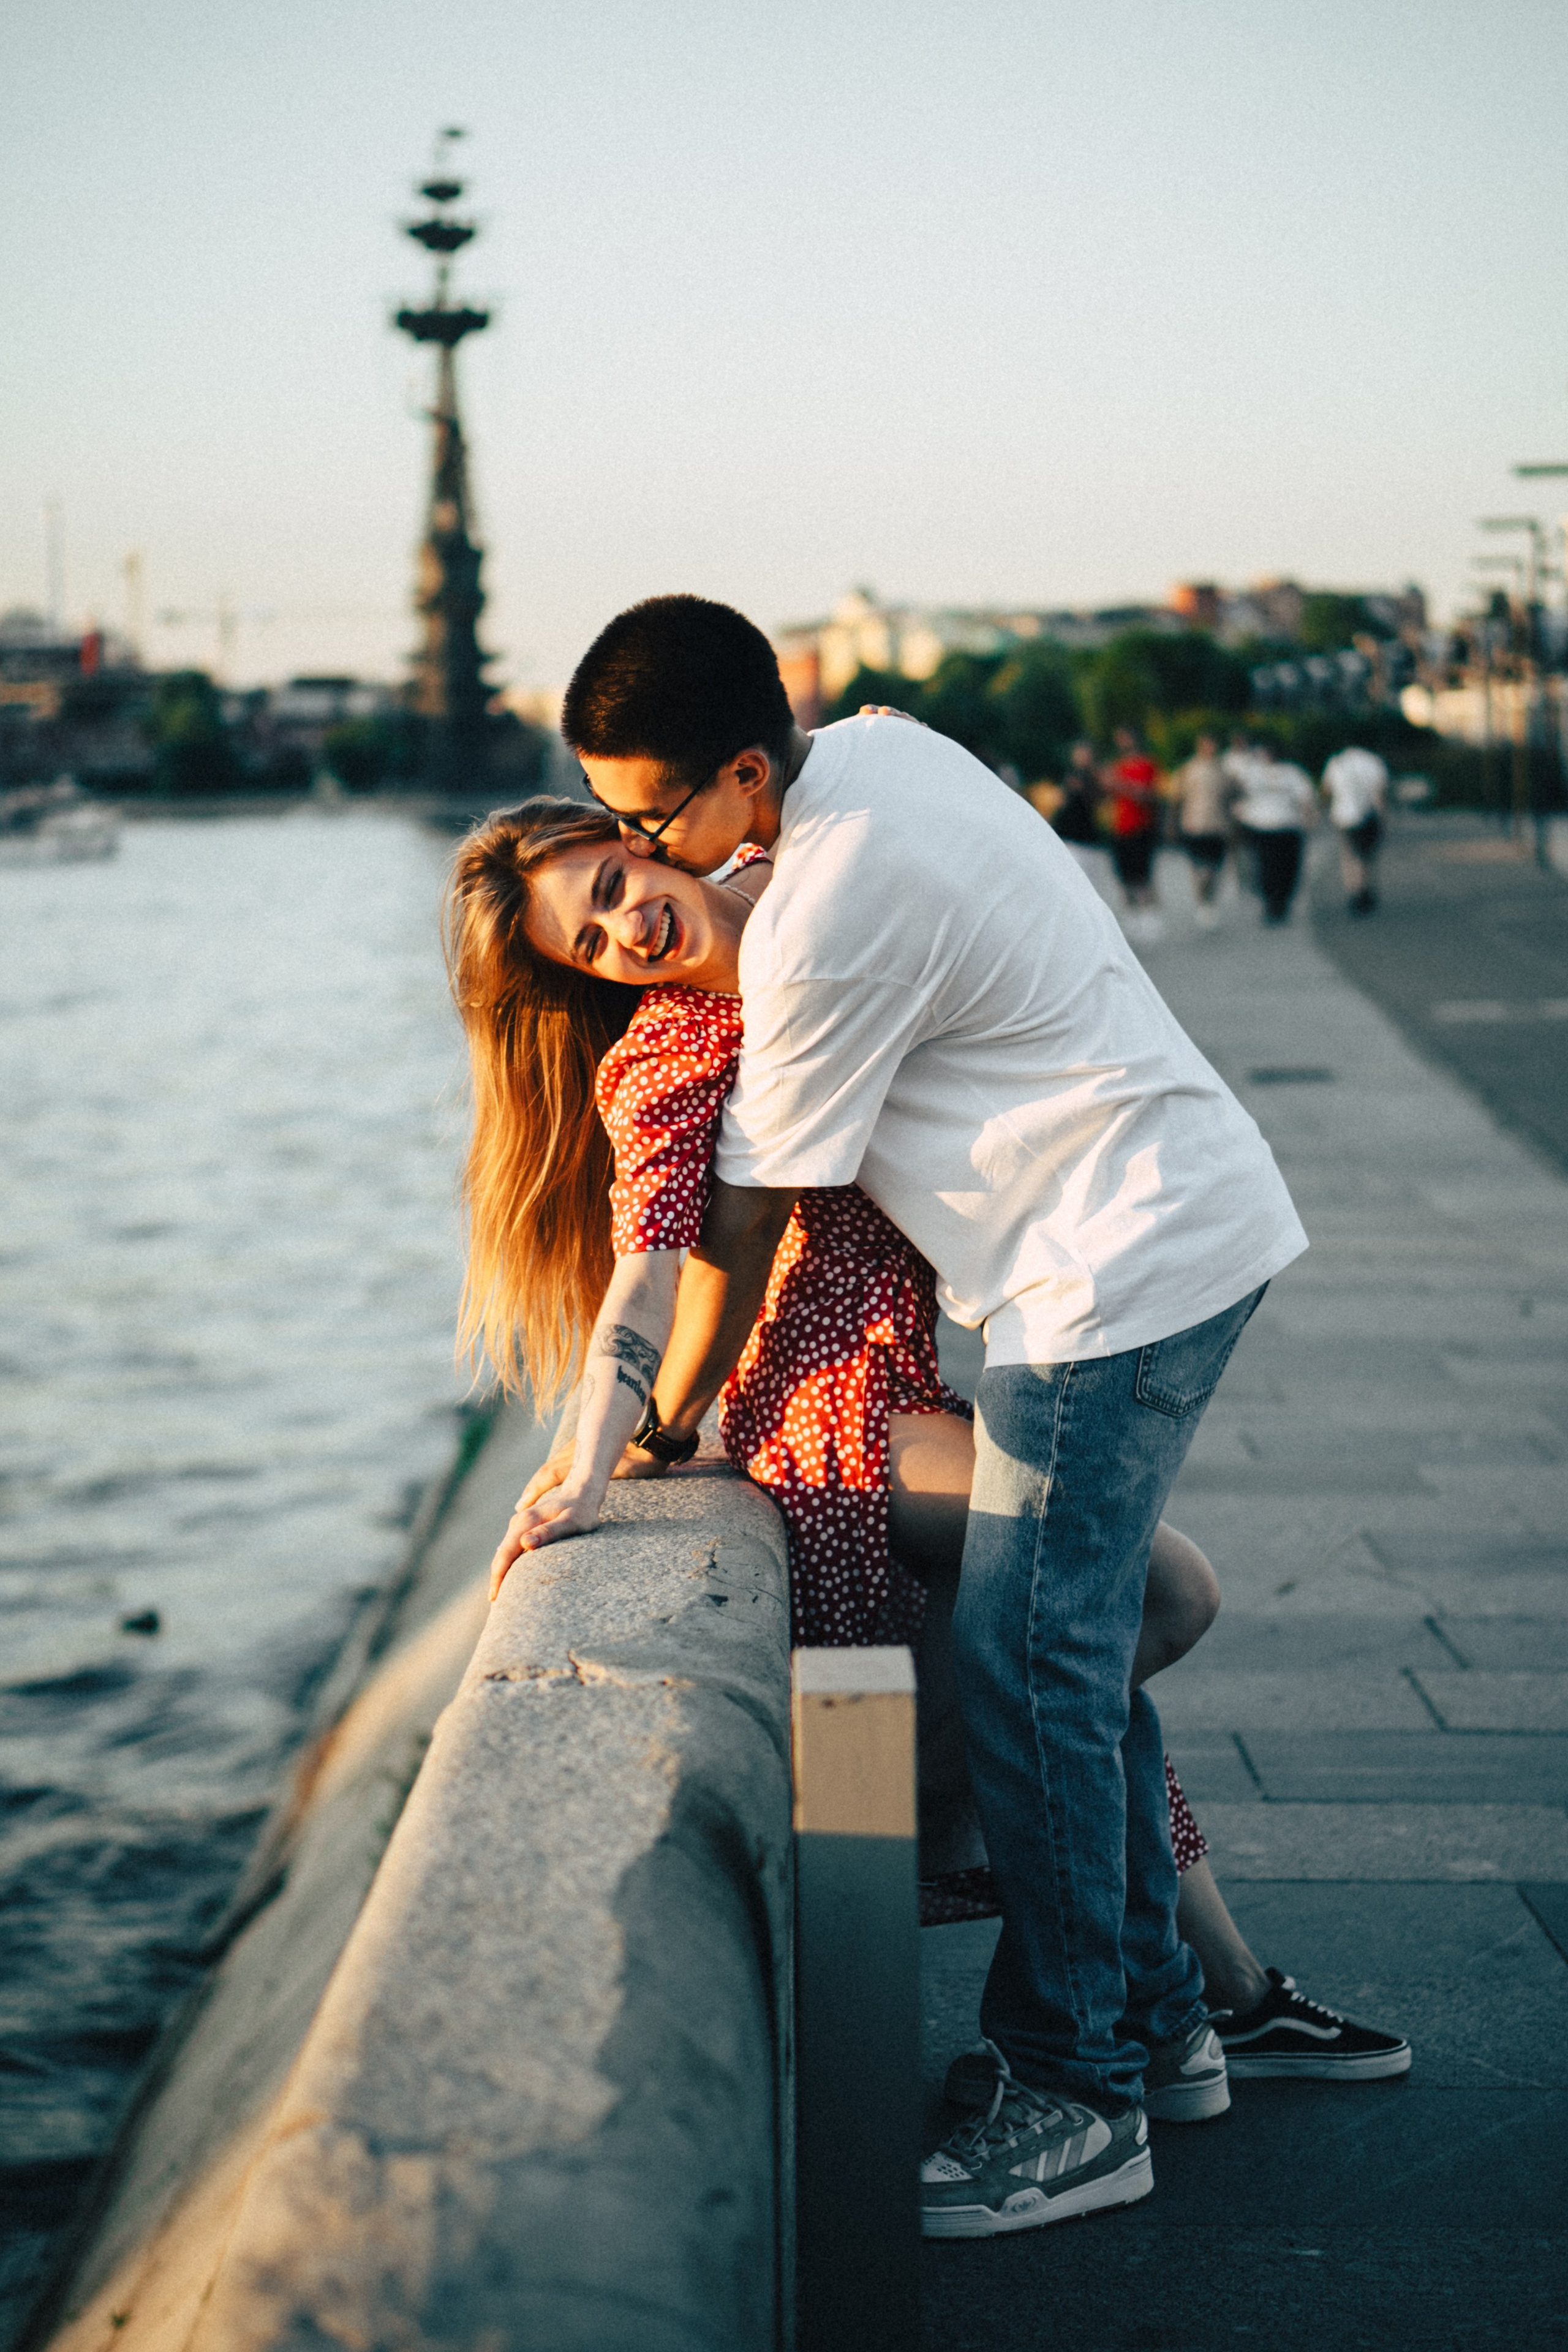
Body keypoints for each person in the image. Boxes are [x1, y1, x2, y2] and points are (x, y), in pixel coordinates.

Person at [450, 797, 1408, 2114]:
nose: (627, 926)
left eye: (613, 880)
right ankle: (1184, 2004)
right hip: (832, 1432)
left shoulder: (792, 891)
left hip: (918, 1385)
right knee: (1157, 1602)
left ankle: (1199, 2005)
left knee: (1074, 1667)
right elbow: (647, 1277)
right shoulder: (666, 1054)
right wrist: (590, 1460)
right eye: (592, 943)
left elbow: (854, 793)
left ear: (649, 836)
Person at [549, 594, 1313, 2238]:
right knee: (1070, 1649)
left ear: (744, 774)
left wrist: (669, 1422)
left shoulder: (823, 916)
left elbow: (749, 1223)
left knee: (1026, 1658)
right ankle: (1167, 2024)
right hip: (1138, 1237)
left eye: (645, 821)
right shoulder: (888, 754)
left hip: (1115, 1274)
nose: (644, 853)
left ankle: (1077, 2095)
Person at [1231, 741, 1317, 925]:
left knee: (1287, 867)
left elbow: (1306, 798)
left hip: (1287, 825)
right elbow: (1236, 794)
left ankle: (1282, 901)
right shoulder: (1250, 772)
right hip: (1259, 825)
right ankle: (1270, 902)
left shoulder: (1292, 772)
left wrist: (1308, 819)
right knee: (1265, 867)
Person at [1102, 726, 1164, 940]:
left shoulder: (1146, 764)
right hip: (1120, 827)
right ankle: (1132, 917)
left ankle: (1151, 916)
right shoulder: (1116, 765)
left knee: (1143, 875)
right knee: (1124, 876)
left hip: (1140, 826)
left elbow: (1147, 794)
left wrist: (1120, 784)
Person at [1321, 744, 1388, 915]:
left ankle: (1354, 889)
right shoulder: (1373, 762)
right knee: (1365, 856)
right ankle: (1364, 887)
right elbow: (1379, 793)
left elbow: (1326, 789)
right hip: (1367, 815)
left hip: (1343, 815)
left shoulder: (1336, 762)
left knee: (1348, 855)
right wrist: (1383, 818)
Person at [1174, 733, 1231, 925]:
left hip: (1218, 826)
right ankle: (1202, 901)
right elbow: (1176, 797)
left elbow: (1233, 795)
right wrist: (1172, 824)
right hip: (1194, 824)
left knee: (1214, 869)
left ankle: (1210, 901)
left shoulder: (1223, 770)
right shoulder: (1188, 769)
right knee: (1199, 868)